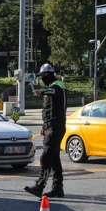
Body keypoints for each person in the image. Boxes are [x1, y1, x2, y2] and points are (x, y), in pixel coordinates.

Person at [24, 63, 67, 198]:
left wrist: (41, 91)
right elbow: (49, 110)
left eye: (42, 76)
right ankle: (58, 188)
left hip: (55, 126)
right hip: (52, 126)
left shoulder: (57, 85)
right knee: (54, 158)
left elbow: (54, 92)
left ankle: (40, 186)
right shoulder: (52, 85)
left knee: (46, 157)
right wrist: (44, 126)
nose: (41, 78)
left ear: (47, 75)